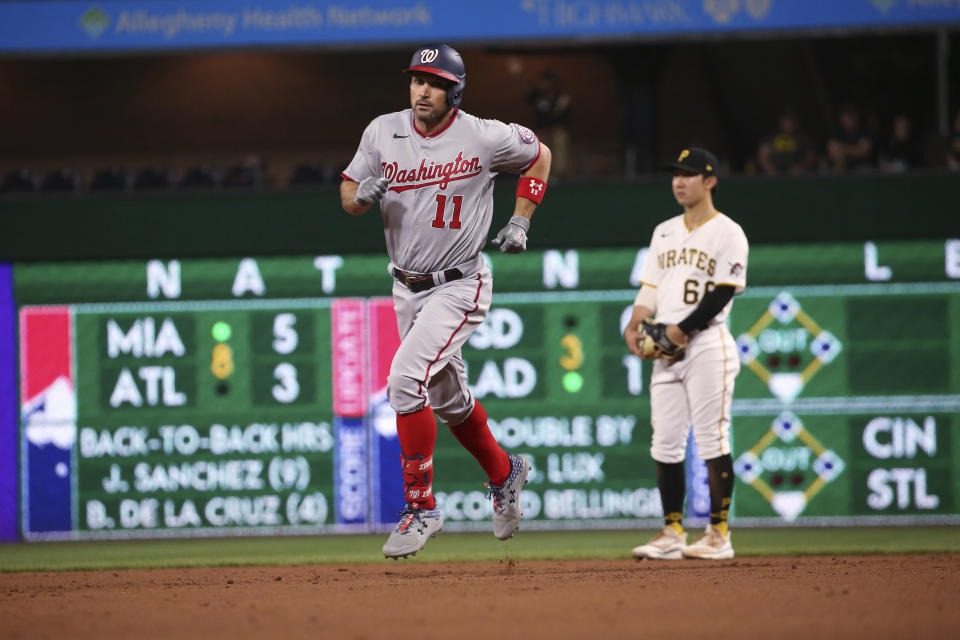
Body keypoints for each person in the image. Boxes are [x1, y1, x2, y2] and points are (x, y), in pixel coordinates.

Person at [340, 44, 552, 559]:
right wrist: (362, 194)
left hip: (459, 283)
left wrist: (522, 217)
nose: (422, 90)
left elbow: (540, 154)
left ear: (454, 91)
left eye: (433, 83)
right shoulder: (381, 131)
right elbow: (347, 197)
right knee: (450, 402)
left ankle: (421, 507)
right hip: (405, 287)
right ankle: (506, 472)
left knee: (403, 380)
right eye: (416, 80)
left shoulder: (482, 135)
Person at [623, 148, 748, 560]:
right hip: (666, 350)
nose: (679, 181)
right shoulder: (664, 231)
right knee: (666, 444)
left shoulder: (728, 231)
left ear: (710, 181)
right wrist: (635, 324)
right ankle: (672, 531)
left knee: (712, 438)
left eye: (689, 174)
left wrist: (677, 331)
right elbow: (651, 290)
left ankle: (718, 535)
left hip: (707, 344)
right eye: (675, 174)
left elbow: (723, 292)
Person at [528, 70, 571, 179]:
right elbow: (526, 95)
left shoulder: (562, 97)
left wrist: (553, 127)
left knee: (559, 138)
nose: (543, 85)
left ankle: (560, 174)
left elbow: (562, 117)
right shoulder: (538, 95)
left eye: (545, 82)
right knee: (539, 143)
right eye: (541, 82)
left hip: (557, 130)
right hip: (542, 130)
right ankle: (542, 174)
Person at [755, 107, 816, 175]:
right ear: (780, 121)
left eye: (790, 120)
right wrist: (771, 170)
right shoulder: (771, 138)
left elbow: (810, 156)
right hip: (774, 174)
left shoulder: (803, 138)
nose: (788, 123)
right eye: (785, 120)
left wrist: (801, 167)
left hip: (797, 175)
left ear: (796, 121)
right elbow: (762, 154)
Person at [826, 103, 874, 173]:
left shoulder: (864, 132)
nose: (849, 120)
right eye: (846, 116)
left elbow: (864, 151)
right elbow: (831, 151)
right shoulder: (837, 134)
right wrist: (854, 149)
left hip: (862, 168)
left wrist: (842, 149)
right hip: (842, 169)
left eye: (851, 116)